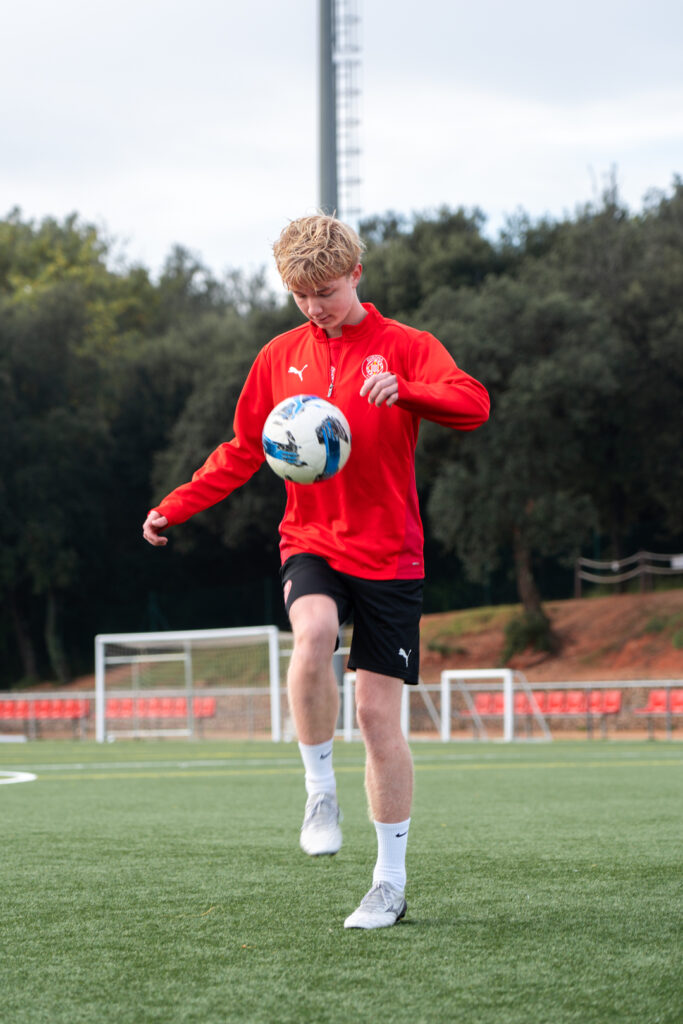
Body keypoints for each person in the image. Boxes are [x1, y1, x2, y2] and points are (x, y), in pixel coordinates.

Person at [143, 214, 490, 929]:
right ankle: (318, 789)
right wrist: (173, 508)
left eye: (325, 291)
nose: (314, 308)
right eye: (300, 295)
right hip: (311, 539)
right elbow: (242, 449)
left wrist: (406, 391)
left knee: (375, 714)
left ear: (356, 274)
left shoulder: (405, 348)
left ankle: (387, 883)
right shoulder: (278, 356)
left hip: (390, 553)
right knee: (312, 636)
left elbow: (473, 404)